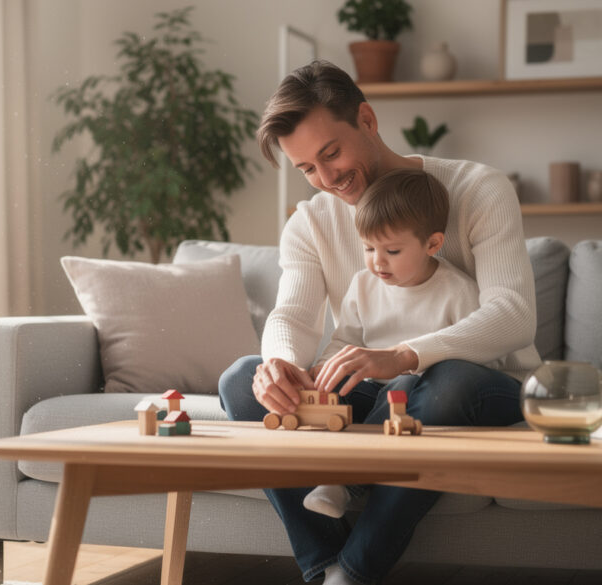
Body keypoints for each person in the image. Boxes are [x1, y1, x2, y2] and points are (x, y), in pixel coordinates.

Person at [218, 60, 541, 585]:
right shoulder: (310, 224)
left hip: (483, 387)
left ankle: (355, 570)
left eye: (331, 154)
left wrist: (404, 356)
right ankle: (328, 568)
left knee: (446, 380)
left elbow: (514, 316)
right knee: (241, 381)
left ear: (367, 120)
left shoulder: (478, 189)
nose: (327, 180)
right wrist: (278, 365)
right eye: (307, 169)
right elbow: (293, 315)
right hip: (383, 395)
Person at [303, 167, 505, 519]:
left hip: (420, 397)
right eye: (368, 247)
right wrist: (324, 370)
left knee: (405, 384)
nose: (377, 261)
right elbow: (345, 340)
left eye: (392, 251)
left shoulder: (457, 290)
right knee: (333, 393)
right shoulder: (362, 285)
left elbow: (479, 360)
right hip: (374, 392)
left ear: (432, 244)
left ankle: (345, 480)